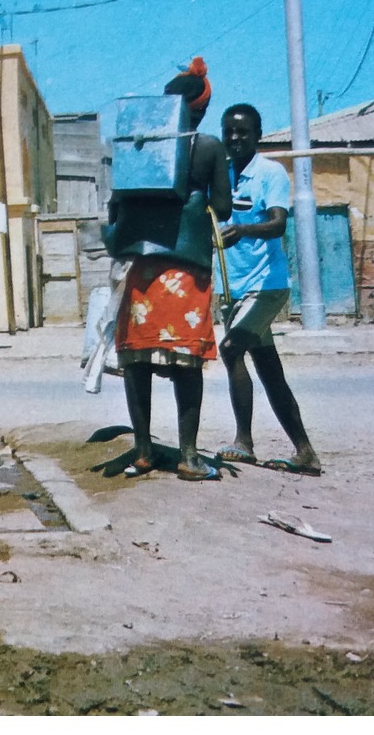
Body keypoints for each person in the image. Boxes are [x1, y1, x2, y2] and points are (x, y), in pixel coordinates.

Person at [106, 58, 231, 481]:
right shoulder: (211, 147)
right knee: (186, 363)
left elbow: (116, 206)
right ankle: (189, 456)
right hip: (187, 269)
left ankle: (142, 451)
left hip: (143, 269)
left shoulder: (137, 145)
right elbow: (225, 206)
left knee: (137, 360)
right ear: (202, 108)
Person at [215, 103, 322, 475]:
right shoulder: (222, 175)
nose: (234, 138)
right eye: (229, 131)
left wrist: (243, 230)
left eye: (243, 132)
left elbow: (278, 225)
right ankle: (305, 452)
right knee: (269, 370)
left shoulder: (270, 173)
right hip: (233, 290)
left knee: (230, 350)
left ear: (257, 136)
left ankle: (243, 441)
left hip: (267, 287)